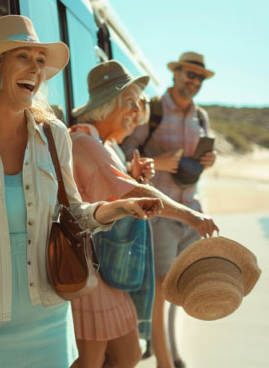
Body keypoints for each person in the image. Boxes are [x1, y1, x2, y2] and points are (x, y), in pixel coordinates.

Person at [0, 15, 163, 368]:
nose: (35, 70)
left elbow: (75, 214)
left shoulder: (53, 137)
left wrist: (119, 207)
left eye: (40, 61)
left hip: (51, 323)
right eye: (23, 57)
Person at [69, 60, 219, 368]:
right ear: (111, 105)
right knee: (94, 359)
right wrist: (192, 217)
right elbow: (133, 194)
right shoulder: (84, 141)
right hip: (91, 270)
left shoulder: (104, 143)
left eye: (139, 106)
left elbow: (114, 187)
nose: (138, 116)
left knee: (128, 355)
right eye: (133, 106)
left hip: (107, 266)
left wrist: (132, 176)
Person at [121, 51, 217, 368]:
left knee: (175, 291)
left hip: (191, 210)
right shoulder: (154, 111)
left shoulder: (200, 117)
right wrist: (159, 162)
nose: (194, 81)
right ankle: (165, 361)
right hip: (160, 211)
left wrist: (209, 161)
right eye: (189, 74)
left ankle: (170, 351)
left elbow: (195, 165)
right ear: (175, 74)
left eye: (199, 77)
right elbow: (122, 155)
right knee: (160, 289)